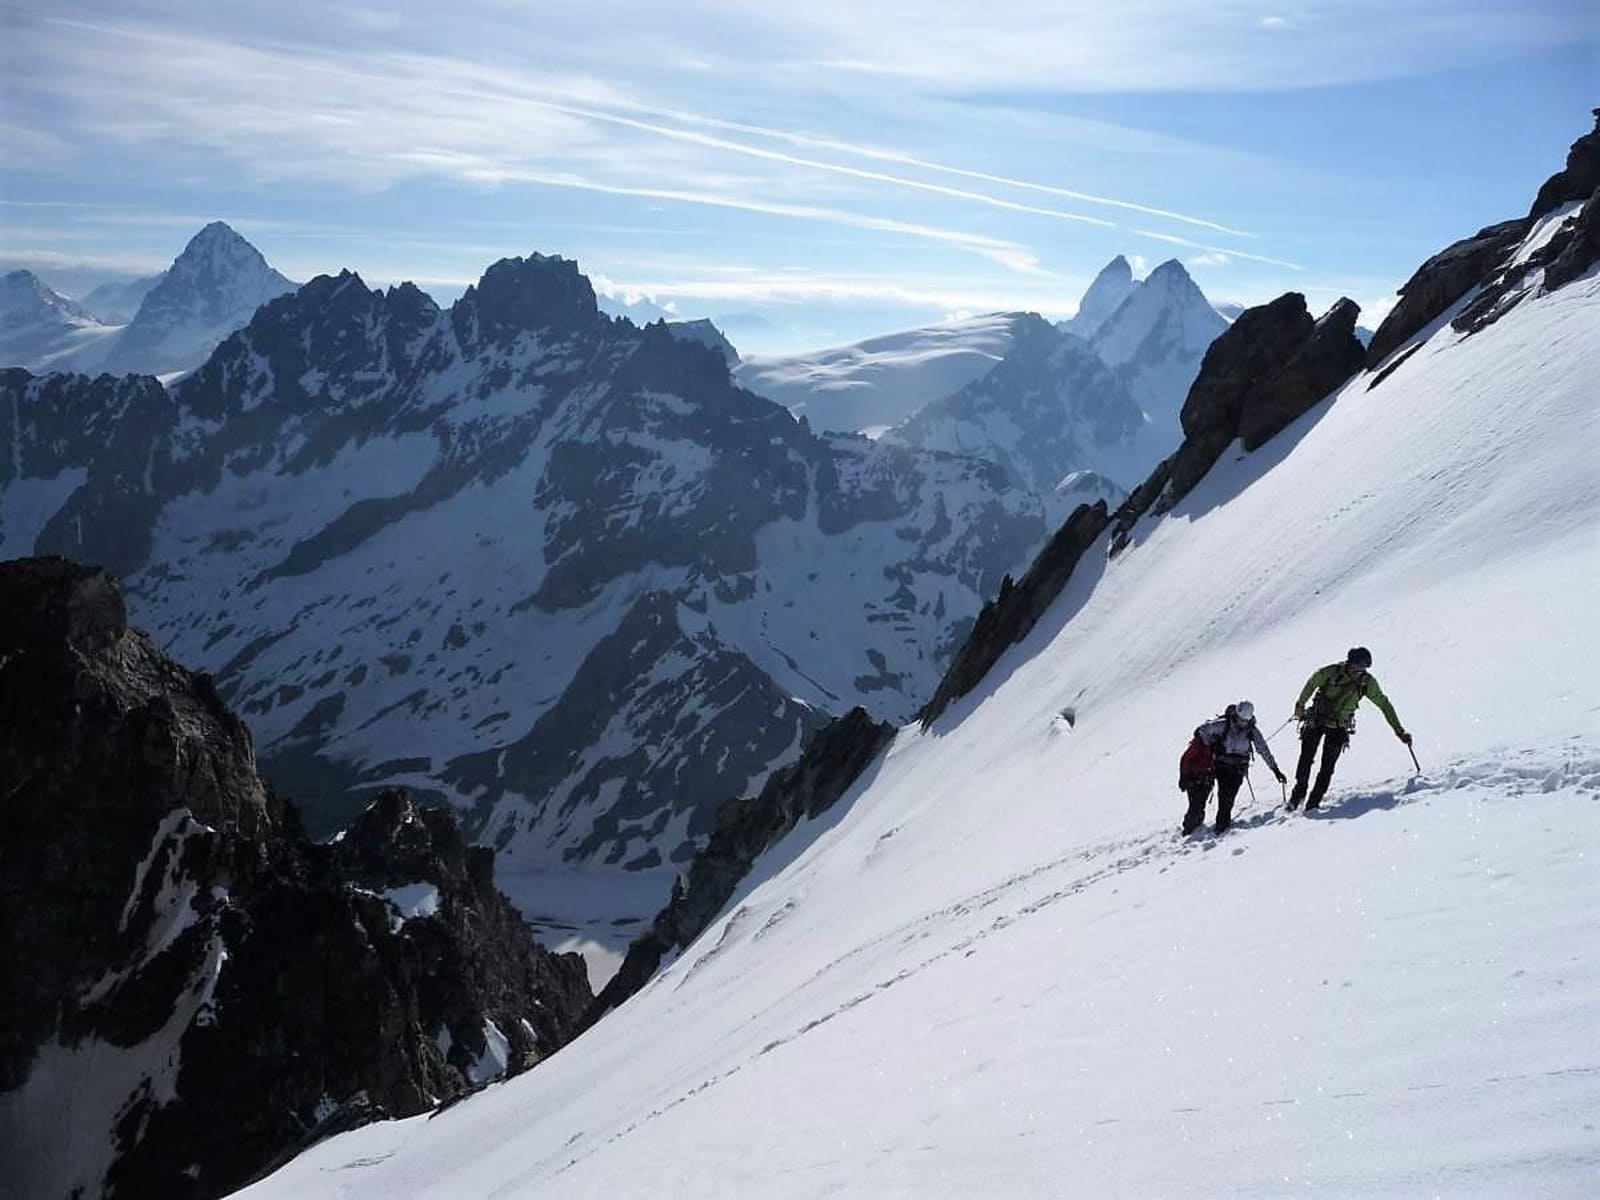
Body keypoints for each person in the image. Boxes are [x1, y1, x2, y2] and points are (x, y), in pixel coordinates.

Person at [1288, 646, 1411, 811]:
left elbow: (1383, 703)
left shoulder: (1367, 683)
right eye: (1356, 667)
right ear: (1349, 663)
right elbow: (1312, 683)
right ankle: (1297, 795)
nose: (1359, 671)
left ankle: (1313, 803)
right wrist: (1300, 704)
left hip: (1339, 727)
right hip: (1317, 719)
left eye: (1363, 669)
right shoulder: (1331, 672)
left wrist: (1399, 730)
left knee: (1327, 768)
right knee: (1305, 759)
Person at [1182, 700, 1285, 835]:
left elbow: (1263, 749)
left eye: (1245, 721)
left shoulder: (1252, 731)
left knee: (1229, 796)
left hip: (1239, 768)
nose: (1242, 723)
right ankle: (1221, 826)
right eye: (1240, 719)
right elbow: (1202, 730)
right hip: (1222, 765)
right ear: (1236, 715)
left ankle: (1222, 825)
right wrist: (1212, 742)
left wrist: (1275, 769)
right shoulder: (1223, 724)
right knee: (1224, 794)